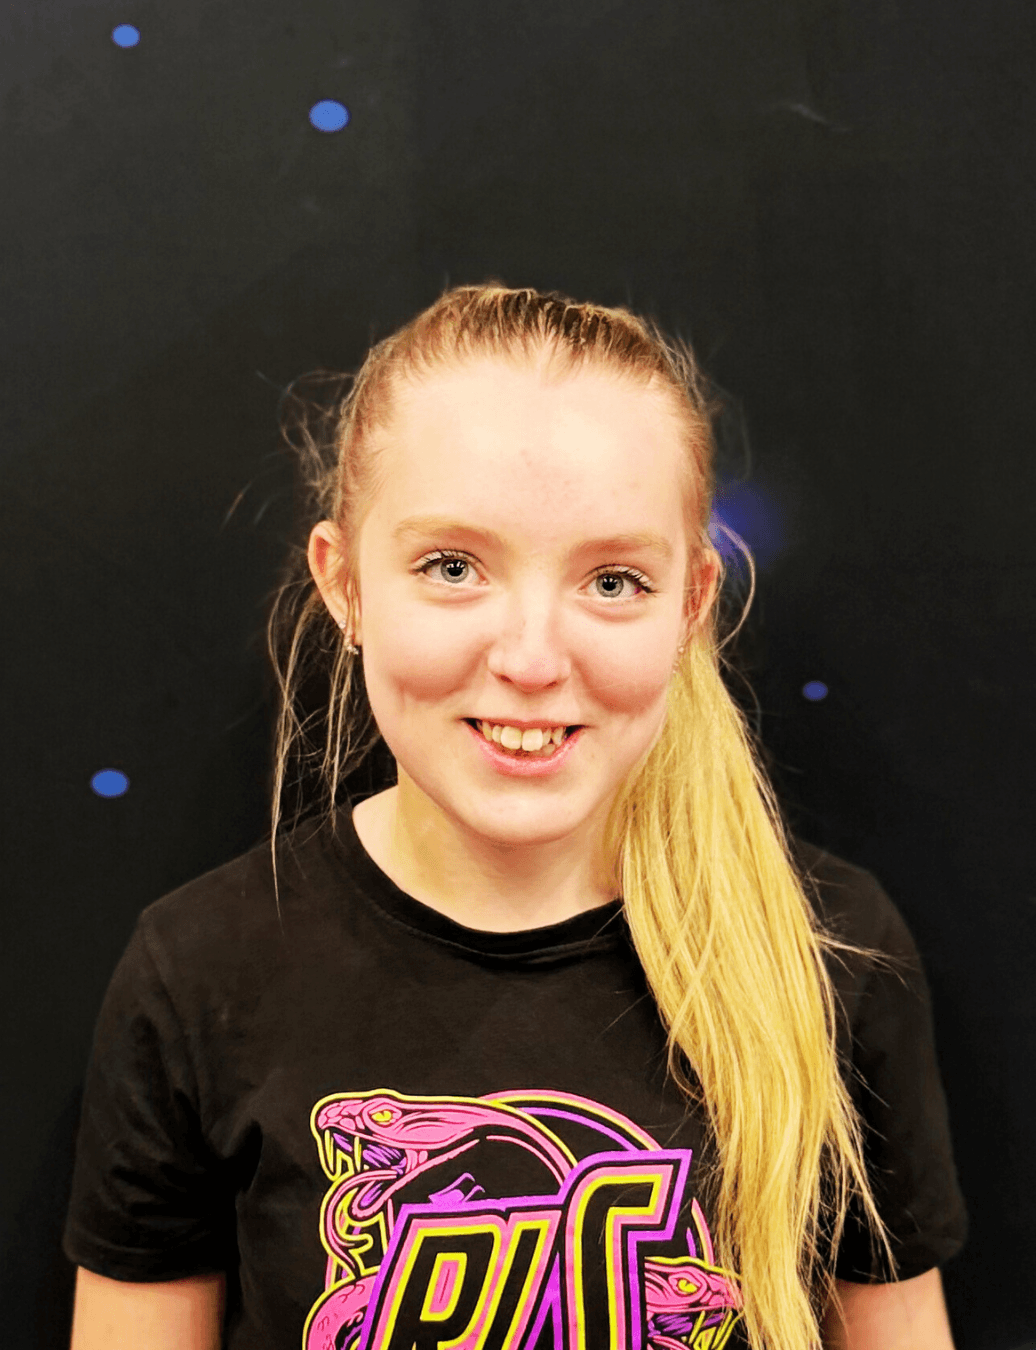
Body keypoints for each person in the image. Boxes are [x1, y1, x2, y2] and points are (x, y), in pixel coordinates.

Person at [65, 283, 966, 1350]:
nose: (533, 659)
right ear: (344, 586)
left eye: (614, 581)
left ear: (691, 605)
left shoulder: (831, 950)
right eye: (453, 568)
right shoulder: (199, 972)